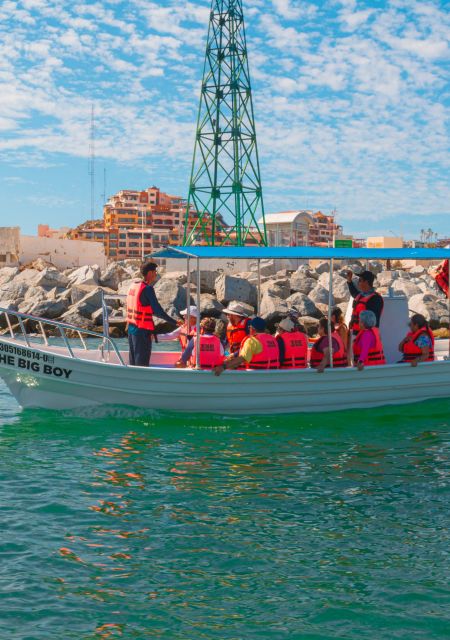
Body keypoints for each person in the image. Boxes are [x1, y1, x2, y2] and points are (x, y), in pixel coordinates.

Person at [126, 261, 177, 367]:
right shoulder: (148, 289)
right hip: (142, 332)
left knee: (133, 362)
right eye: (155, 272)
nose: (156, 274)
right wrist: (175, 322)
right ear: (150, 273)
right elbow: (157, 311)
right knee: (141, 364)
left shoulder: (133, 286)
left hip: (131, 329)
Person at [213, 317, 279, 375]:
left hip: (255, 376)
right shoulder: (273, 339)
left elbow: (241, 359)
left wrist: (223, 367)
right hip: (272, 374)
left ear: (252, 329)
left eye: (249, 328)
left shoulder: (252, 341)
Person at [346, 270, 384, 335]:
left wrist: (367, 336)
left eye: (360, 280)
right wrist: (349, 281)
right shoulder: (361, 295)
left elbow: (373, 322)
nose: (358, 282)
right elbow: (354, 292)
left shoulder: (376, 299)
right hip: (356, 333)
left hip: (366, 335)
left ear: (366, 282)